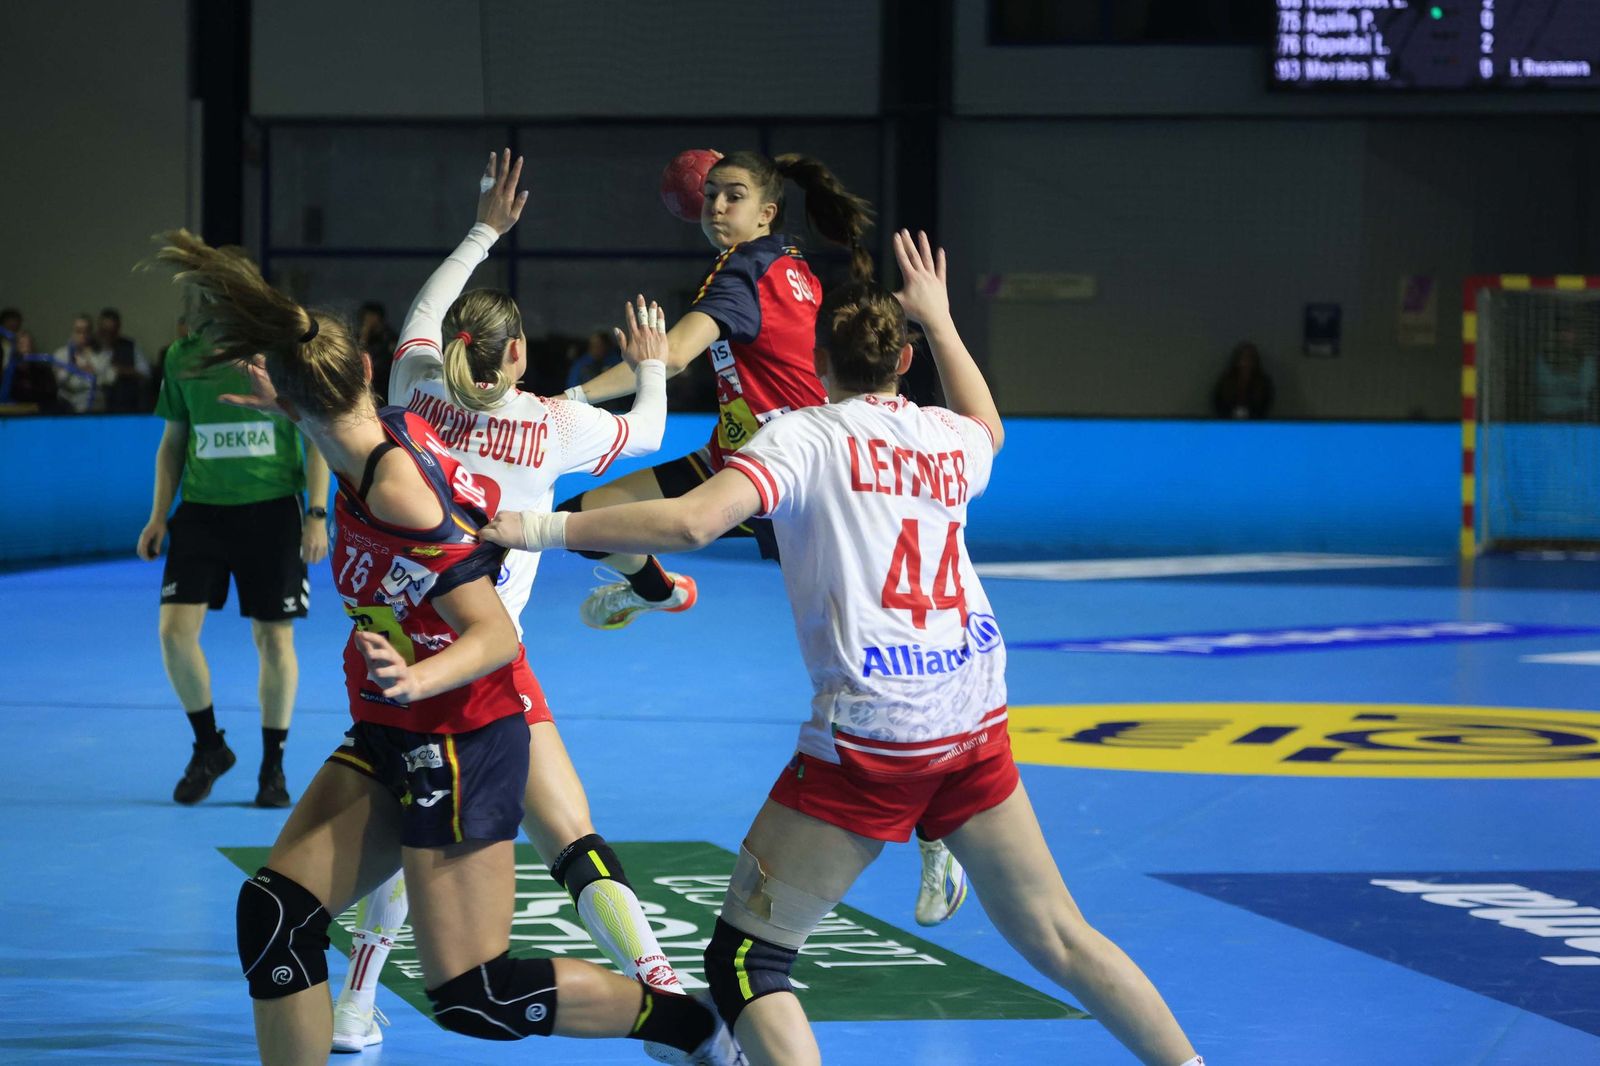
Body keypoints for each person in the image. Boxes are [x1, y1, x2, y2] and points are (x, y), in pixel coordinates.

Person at [485, 231, 1204, 1066]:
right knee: (1060, 935)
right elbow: (989, 424)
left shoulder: (803, 437)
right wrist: (938, 316)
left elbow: (690, 521)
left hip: (877, 734)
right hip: (973, 716)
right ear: (903, 360)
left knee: (748, 963)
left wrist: (541, 525)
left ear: (818, 363)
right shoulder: (946, 437)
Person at [150, 229, 743, 1066]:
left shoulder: (400, 483)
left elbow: (497, 634)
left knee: (475, 998)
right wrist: (288, 400)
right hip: (395, 728)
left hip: (461, 734)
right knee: (275, 915)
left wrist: (417, 670)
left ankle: (693, 1025)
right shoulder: (355, 432)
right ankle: (355, 1007)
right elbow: (334, 417)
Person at [328, 151, 692, 1060]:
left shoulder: (410, 392)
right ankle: (665, 994)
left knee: (421, 829)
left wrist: (484, 229)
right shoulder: (551, 427)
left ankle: (356, 1004)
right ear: (520, 354)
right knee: (562, 832)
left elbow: (420, 315)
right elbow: (648, 432)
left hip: (394, 642)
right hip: (485, 657)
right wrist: (648, 367)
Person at [135, 308, 331, 808]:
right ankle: (209, 748)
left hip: (272, 515)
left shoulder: (281, 357)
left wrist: (315, 512)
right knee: (174, 634)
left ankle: (273, 766)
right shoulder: (182, 359)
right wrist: (159, 515)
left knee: (273, 638)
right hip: (202, 514)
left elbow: (314, 437)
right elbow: (173, 441)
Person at [96, 307, 151, 413]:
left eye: (112, 331)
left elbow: (145, 373)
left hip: (125, 406)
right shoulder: (91, 347)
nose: (108, 335)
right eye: (105, 331)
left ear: (118, 329)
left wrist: (124, 371)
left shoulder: (129, 346)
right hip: (96, 407)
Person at [53, 314, 102, 413]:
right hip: (65, 402)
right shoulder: (60, 354)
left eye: (86, 331)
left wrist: (87, 364)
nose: (82, 335)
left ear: (91, 333)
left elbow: (101, 381)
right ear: (72, 332)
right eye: (78, 331)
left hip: (89, 402)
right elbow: (59, 380)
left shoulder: (99, 355)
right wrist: (72, 365)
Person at [1211, 341, 1272, 419]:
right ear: (1237, 360)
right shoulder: (1225, 382)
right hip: (1228, 423)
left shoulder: (1263, 383)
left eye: (1250, 357)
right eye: (1243, 357)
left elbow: (1264, 406)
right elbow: (1219, 404)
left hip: (1255, 424)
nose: (1246, 361)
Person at [358, 301, 398, 404]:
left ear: (377, 317)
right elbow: (356, 357)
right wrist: (364, 334)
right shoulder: (363, 336)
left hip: (384, 387)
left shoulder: (390, 338)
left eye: (368, 316)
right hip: (367, 387)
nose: (365, 320)